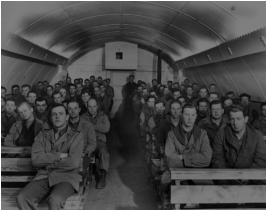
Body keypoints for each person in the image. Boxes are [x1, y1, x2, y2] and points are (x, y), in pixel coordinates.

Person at [17, 104, 84, 210]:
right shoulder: (42, 135)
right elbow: (36, 160)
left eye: (61, 114)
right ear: (51, 118)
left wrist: (47, 163)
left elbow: (73, 163)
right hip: (44, 176)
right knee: (23, 197)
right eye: (54, 114)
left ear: (67, 117)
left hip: (66, 178)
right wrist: (59, 156)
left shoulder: (77, 136)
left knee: (55, 199)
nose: (57, 117)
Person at [162, 103, 212, 189]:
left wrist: (182, 157)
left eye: (192, 115)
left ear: (196, 116)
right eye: (187, 114)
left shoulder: (202, 133)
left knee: (211, 192)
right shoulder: (172, 135)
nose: (190, 118)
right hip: (176, 174)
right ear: (181, 115)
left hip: (198, 175)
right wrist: (197, 160)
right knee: (181, 190)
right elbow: (172, 161)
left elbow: (207, 159)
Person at [212, 105, 266, 182]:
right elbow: (217, 159)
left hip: (250, 178)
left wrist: (248, 176)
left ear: (246, 119)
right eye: (232, 119)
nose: (235, 123)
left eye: (239, 119)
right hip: (227, 177)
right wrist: (228, 177)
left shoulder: (257, 135)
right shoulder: (222, 133)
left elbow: (261, 161)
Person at [81, 99, 110, 189]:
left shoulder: (103, 116)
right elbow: (81, 130)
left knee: (103, 150)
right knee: (83, 152)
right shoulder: (82, 117)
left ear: (97, 106)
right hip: (87, 142)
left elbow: (106, 128)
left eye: (94, 106)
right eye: (90, 106)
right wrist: (98, 127)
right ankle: (84, 174)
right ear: (87, 107)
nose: (92, 109)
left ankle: (102, 176)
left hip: (98, 141)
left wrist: (90, 126)